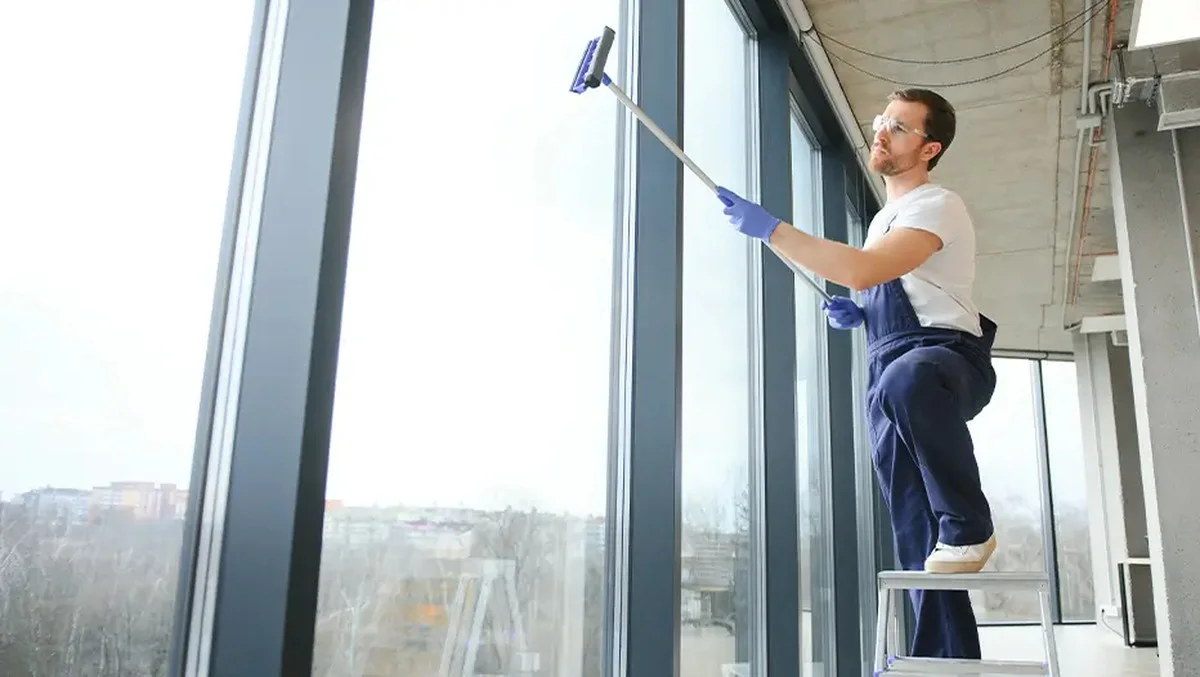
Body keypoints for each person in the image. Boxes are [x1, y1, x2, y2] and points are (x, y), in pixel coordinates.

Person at [715, 88, 998, 659]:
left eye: (898, 126)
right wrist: (863, 313)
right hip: (889, 372)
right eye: (881, 121)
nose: (881, 132)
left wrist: (775, 230)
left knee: (909, 382)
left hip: (944, 361)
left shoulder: (936, 203)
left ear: (930, 147)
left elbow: (866, 269)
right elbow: (884, 283)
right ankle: (943, 661)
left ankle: (971, 524)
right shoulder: (883, 220)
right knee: (917, 530)